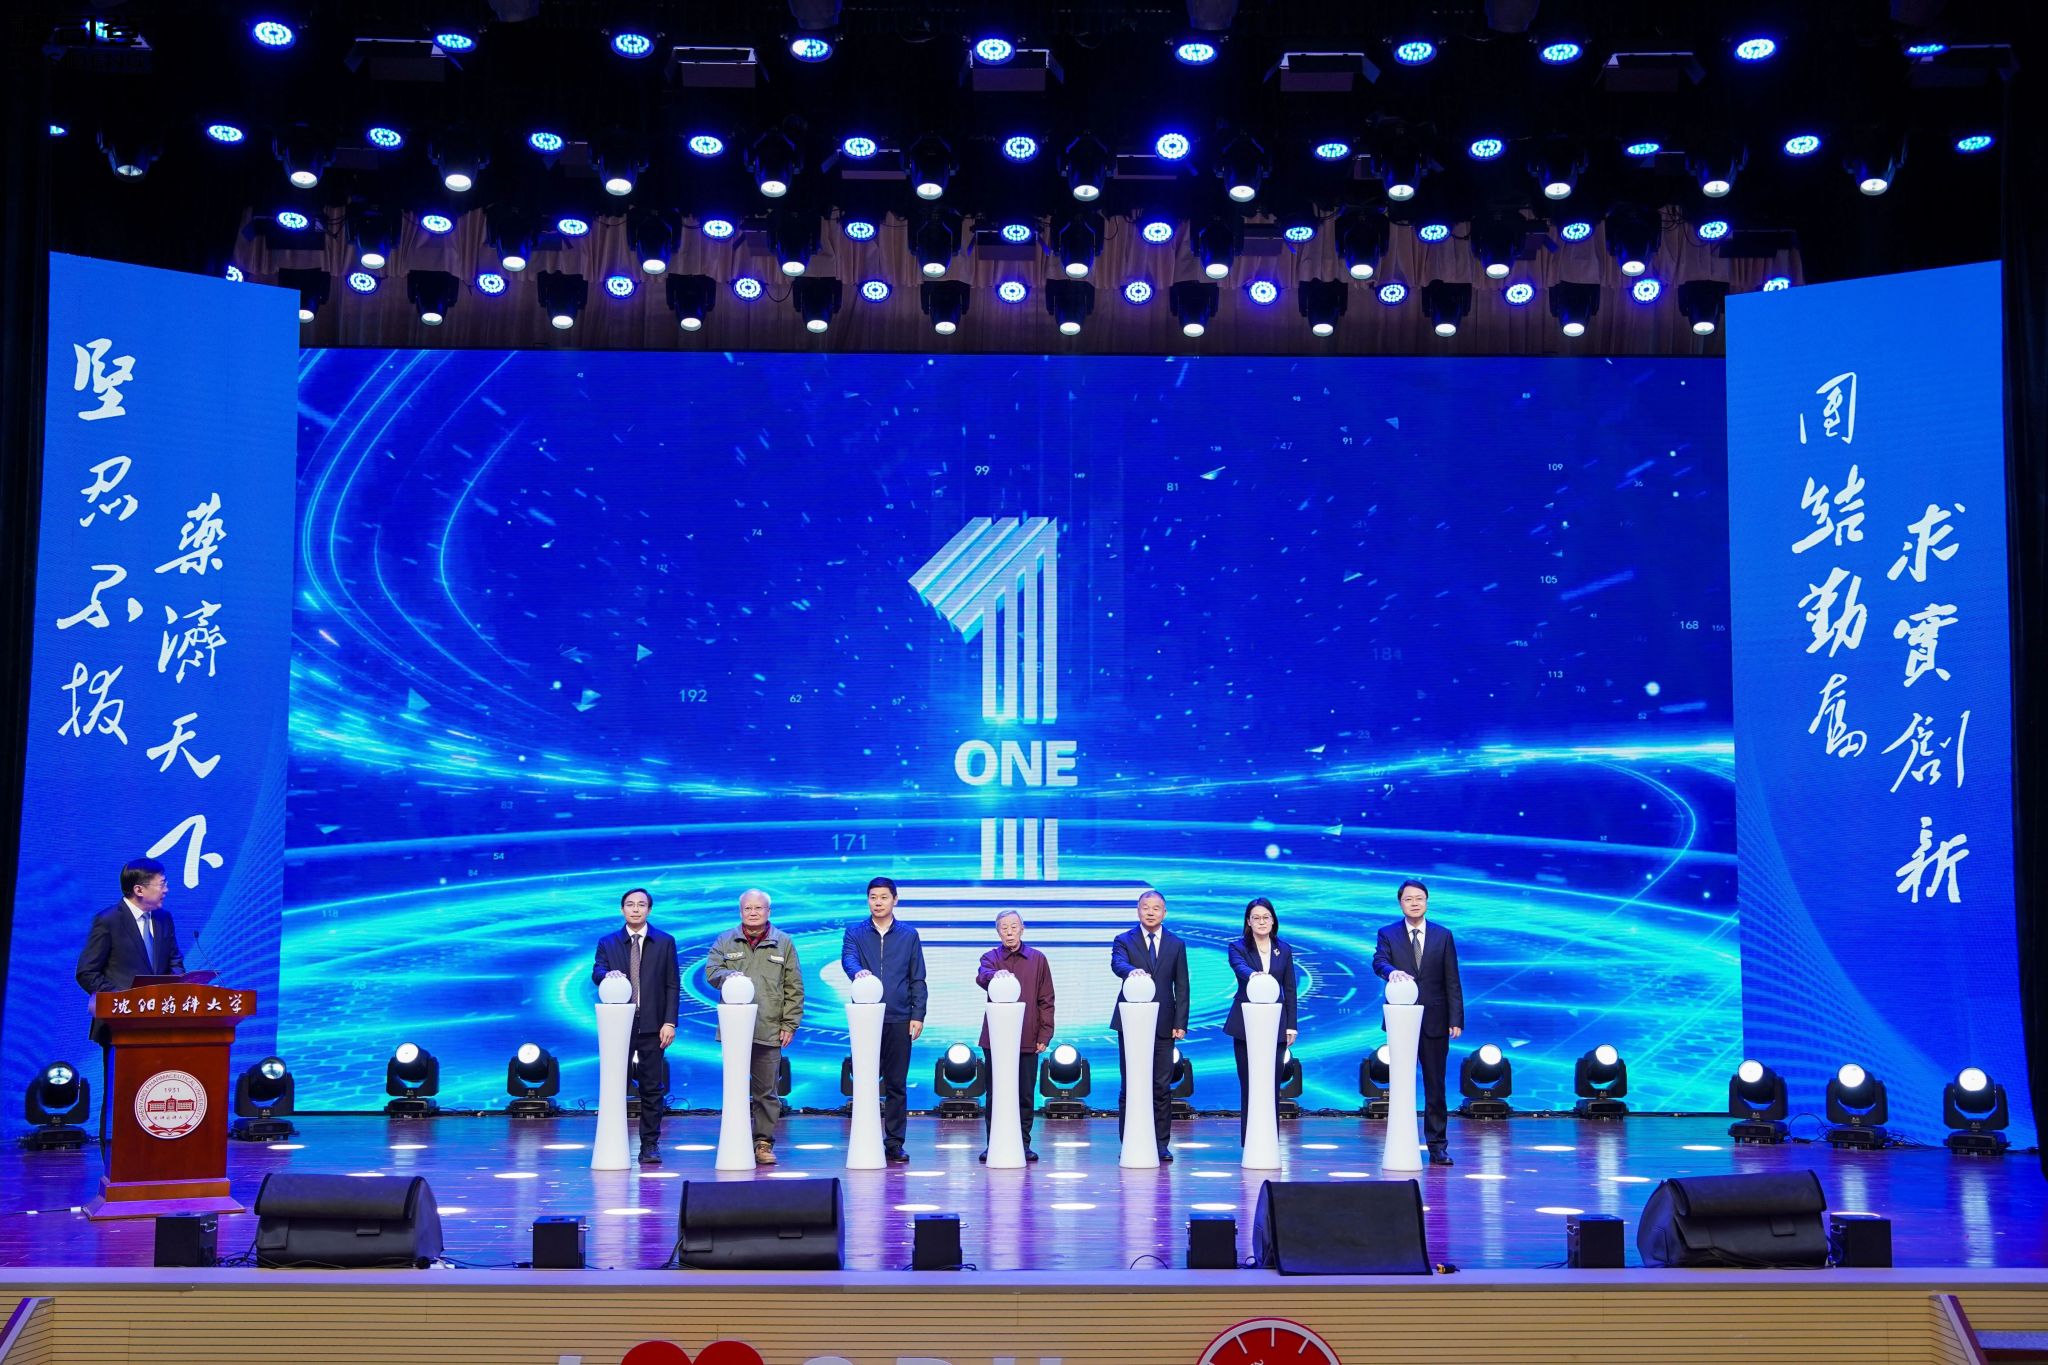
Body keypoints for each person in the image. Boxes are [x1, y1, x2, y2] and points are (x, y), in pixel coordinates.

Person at [75, 857, 185, 1146]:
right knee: (121, 1096)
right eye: (162, 884)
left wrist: (180, 985)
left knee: (156, 1094)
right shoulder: (109, 920)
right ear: (139, 889)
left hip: (160, 1024)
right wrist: (124, 1000)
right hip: (121, 1027)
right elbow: (87, 972)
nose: (166, 889)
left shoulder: (164, 918)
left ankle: (155, 1153)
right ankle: (114, 1156)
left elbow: (174, 961)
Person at [705, 888, 805, 1166]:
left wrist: (790, 1023)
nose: (753, 913)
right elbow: (711, 971)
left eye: (758, 908)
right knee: (735, 1089)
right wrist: (730, 976)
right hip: (734, 1031)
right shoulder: (725, 940)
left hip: (769, 1028)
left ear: (768, 911)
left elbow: (794, 987)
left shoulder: (783, 942)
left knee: (766, 1092)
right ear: (741, 911)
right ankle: (734, 1140)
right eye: (748, 908)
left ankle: (763, 1143)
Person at [1372, 879, 1465, 1166]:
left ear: (1426, 901)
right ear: (1400, 903)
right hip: (1402, 1023)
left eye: (1419, 898)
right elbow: (1379, 961)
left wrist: (1456, 1018)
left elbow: (1452, 979)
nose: (1414, 903)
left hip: (1435, 1020)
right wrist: (1391, 972)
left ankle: (1437, 1146)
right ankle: (1401, 1141)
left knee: (1435, 1086)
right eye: (1408, 899)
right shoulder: (1388, 933)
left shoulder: (1443, 935)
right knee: (1401, 1084)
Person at [840, 876, 926, 1164]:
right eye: (873, 897)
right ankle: (865, 1138)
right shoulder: (855, 932)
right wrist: (858, 973)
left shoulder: (908, 935)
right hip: (866, 1019)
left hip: (899, 1017)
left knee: (896, 1084)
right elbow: (848, 959)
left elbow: (917, 978)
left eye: (883, 897)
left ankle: (894, 1143)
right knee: (865, 1081)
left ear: (895, 900)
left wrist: (917, 1015)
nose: (878, 902)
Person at [592, 888, 680, 1165]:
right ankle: (612, 1141)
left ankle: (650, 1145)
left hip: (653, 1025)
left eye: (641, 905)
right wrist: (607, 975)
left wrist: (670, 1022)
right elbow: (597, 971)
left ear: (649, 910)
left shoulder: (664, 941)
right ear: (622, 909)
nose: (635, 909)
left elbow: (672, 984)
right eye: (630, 904)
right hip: (619, 1027)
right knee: (616, 1084)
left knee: (652, 1087)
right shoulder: (608, 942)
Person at [1109, 888, 1189, 1161]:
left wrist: (1180, 1022)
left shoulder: (1176, 944)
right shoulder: (1124, 940)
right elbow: (1117, 964)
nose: (1151, 912)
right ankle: (1129, 1141)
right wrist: (1132, 971)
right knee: (1130, 1084)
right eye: (1146, 907)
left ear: (1164, 912)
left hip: (1164, 1024)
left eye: (1156, 908)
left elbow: (1182, 985)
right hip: (1131, 1023)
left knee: (1161, 1086)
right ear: (1138, 911)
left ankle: (1160, 1144)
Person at [974, 910, 1055, 1163]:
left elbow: (1046, 999)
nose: (1009, 932)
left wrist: (1045, 1033)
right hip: (996, 1040)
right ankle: (993, 1143)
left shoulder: (1038, 959)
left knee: (1025, 1094)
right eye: (1004, 928)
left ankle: (1023, 1143)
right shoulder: (991, 958)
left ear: (1022, 929)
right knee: (996, 1093)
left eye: (1013, 927)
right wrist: (994, 976)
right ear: (998, 931)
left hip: (1028, 1037)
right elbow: (982, 975)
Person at [1223, 896, 1298, 1145]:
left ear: (1273, 920)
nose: (1262, 922)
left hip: (1276, 1025)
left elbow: (1290, 989)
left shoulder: (1284, 949)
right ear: (1248, 921)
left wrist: (1291, 1025)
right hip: (1245, 1025)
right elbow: (1239, 967)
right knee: (1249, 1082)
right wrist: (1255, 976)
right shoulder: (1237, 947)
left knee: (1271, 1084)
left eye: (1266, 917)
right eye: (1256, 918)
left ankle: (1269, 1140)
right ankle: (1250, 1140)